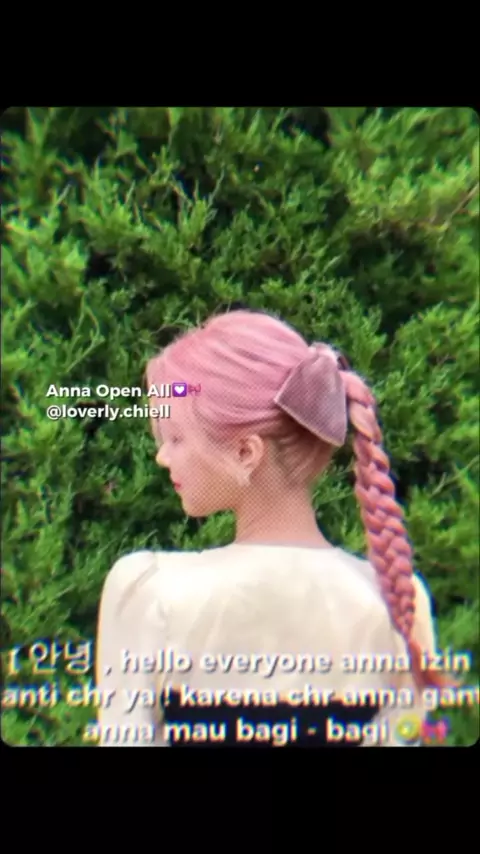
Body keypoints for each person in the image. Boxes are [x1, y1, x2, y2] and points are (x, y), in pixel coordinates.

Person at [96, 309, 455, 747]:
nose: (162, 456)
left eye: (176, 438)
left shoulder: (151, 591)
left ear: (246, 452)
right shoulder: (396, 600)